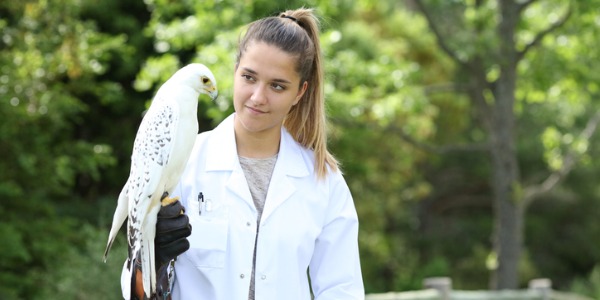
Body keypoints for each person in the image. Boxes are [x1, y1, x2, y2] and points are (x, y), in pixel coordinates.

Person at [122, 7, 364, 299]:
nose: (258, 97)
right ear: (235, 72)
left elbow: (342, 290)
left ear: (299, 93)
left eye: (277, 85)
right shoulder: (184, 163)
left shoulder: (324, 181)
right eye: (249, 77)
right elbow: (137, 292)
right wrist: (154, 261)